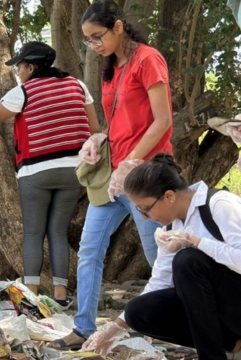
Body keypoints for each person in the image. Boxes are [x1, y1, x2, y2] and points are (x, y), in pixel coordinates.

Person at [0, 41, 100, 308]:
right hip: (74, 171)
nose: (18, 73)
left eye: (19, 68)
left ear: (31, 67)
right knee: (58, 232)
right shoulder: (78, 86)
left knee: (34, 233)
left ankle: (32, 295)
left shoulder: (25, 90)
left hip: (36, 170)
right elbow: (94, 128)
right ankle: (60, 295)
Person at [50, 0, 173, 349]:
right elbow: (118, 120)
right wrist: (98, 138)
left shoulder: (148, 59)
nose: (94, 45)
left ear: (119, 27)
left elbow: (162, 120)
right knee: (89, 251)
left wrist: (130, 162)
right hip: (112, 177)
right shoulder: (111, 68)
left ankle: (184, 325)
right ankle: (83, 328)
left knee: (159, 258)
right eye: (88, 40)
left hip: (147, 175)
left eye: (98, 36)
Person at [81, 154, 241, 360]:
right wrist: (115, 328)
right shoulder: (172, 226)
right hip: (226, 311)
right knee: (139, 310)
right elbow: (159, 282)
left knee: (188, 261)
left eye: (145, 209)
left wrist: (198, 242)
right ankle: (234, 345)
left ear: (169, 196)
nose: (144, 218)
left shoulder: (219, 204)